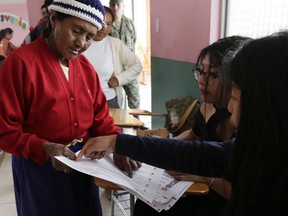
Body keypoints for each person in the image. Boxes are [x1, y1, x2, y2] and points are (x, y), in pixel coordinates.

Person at [76, 31, 288, 215]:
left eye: (235, 98)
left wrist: (208, 180)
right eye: (200, 72)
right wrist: (118, 142)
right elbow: (195, 151)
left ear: (266, 106)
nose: (231, 111)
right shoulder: (253, 143)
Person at [0, 0, 140, 215]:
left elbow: (101, 120)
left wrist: (118, 145)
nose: (81, 43)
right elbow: (5, 130)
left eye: (90, 37)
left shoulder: (85, 69)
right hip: (39, 169)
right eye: (76, 31)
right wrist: (45, 148)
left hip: (82, 167)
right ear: (54, 20)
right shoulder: (20, 64)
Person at [133, 36, 250, 216]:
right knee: (146, 203)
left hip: (221, 196)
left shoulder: (245, 122)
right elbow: (194, 135)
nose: (202, 80)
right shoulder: (207, 106)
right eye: (200, 71)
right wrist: (167, 145)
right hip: (200, 181)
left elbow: (244, 192)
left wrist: (204, 178)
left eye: (212, 74)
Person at [84, 6, 142, 109]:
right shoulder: (79, 43)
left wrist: (119, 79)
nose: (104, 27)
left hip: (108, 101)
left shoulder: (115, 44)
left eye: (109, 24)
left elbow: (137, 65)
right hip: (83, 101)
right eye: (101, 22)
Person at [109, 0, 140, 110]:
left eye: (118, 4)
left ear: (123, 6)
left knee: (135, 99)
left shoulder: (129, 23)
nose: (115, 7)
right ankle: (120, 124)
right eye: (113, 5)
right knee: (116, 101)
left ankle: (137, 125)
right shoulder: (107, 25)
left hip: (129, 69)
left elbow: (134, 41)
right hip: (114, 71)